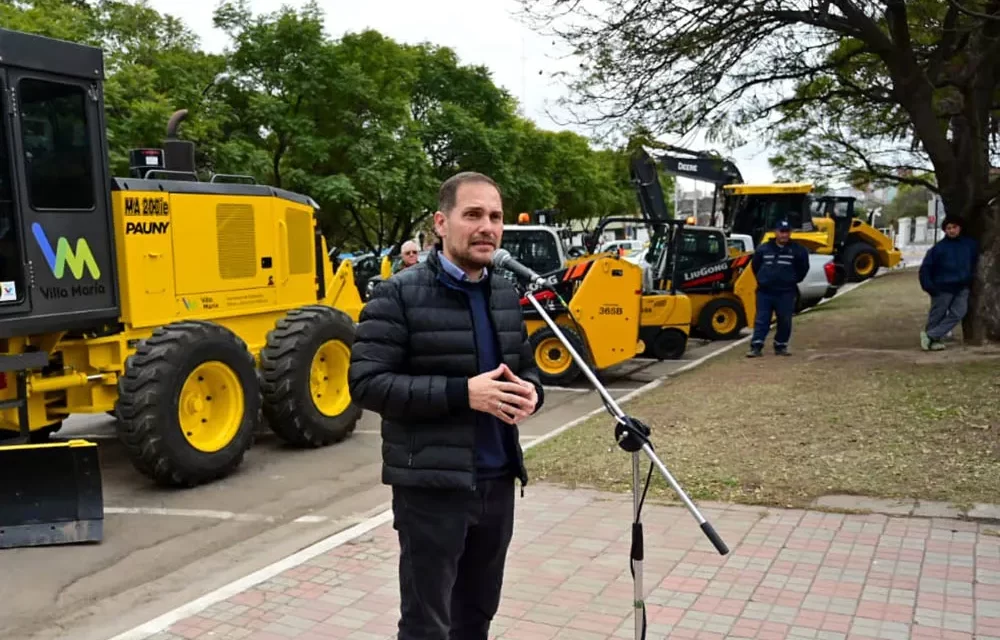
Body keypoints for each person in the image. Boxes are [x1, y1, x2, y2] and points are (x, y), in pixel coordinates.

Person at [348, 171, 544, 640]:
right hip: (431, 488)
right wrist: (463, 394)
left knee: (477, 614)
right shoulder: (398, 293)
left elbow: (523, 367)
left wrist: (533, 392)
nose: (487, 227)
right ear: (441, 222)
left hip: (496, 481)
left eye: (495, 217)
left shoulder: (503, 291)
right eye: (473, 214)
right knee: (427, 623)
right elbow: (368, 383)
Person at [747, 220, 810, 357]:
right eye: (781, 232)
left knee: (785, 319)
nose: (784, 235)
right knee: (762, 319)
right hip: (765, 292)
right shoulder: (763, 248)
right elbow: (755, 266)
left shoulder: (797, 250)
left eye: (787, 232)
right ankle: (756, 346)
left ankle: (781, 346)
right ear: (776, 232)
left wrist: (792, 280)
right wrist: (763, 280)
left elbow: (803, 268)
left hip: (786, 292)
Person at [919, 215, 978, 351]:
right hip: (942, 288)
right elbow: (926, 268)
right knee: (937, 314)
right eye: (948, 228)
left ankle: (930, 335)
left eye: (954, 227)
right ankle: (933, 341)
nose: (951, 230)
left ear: (960, 228)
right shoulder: (938, 248)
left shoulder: (970, 245)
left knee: (959, 312)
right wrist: (928, 286)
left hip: (962, 286)